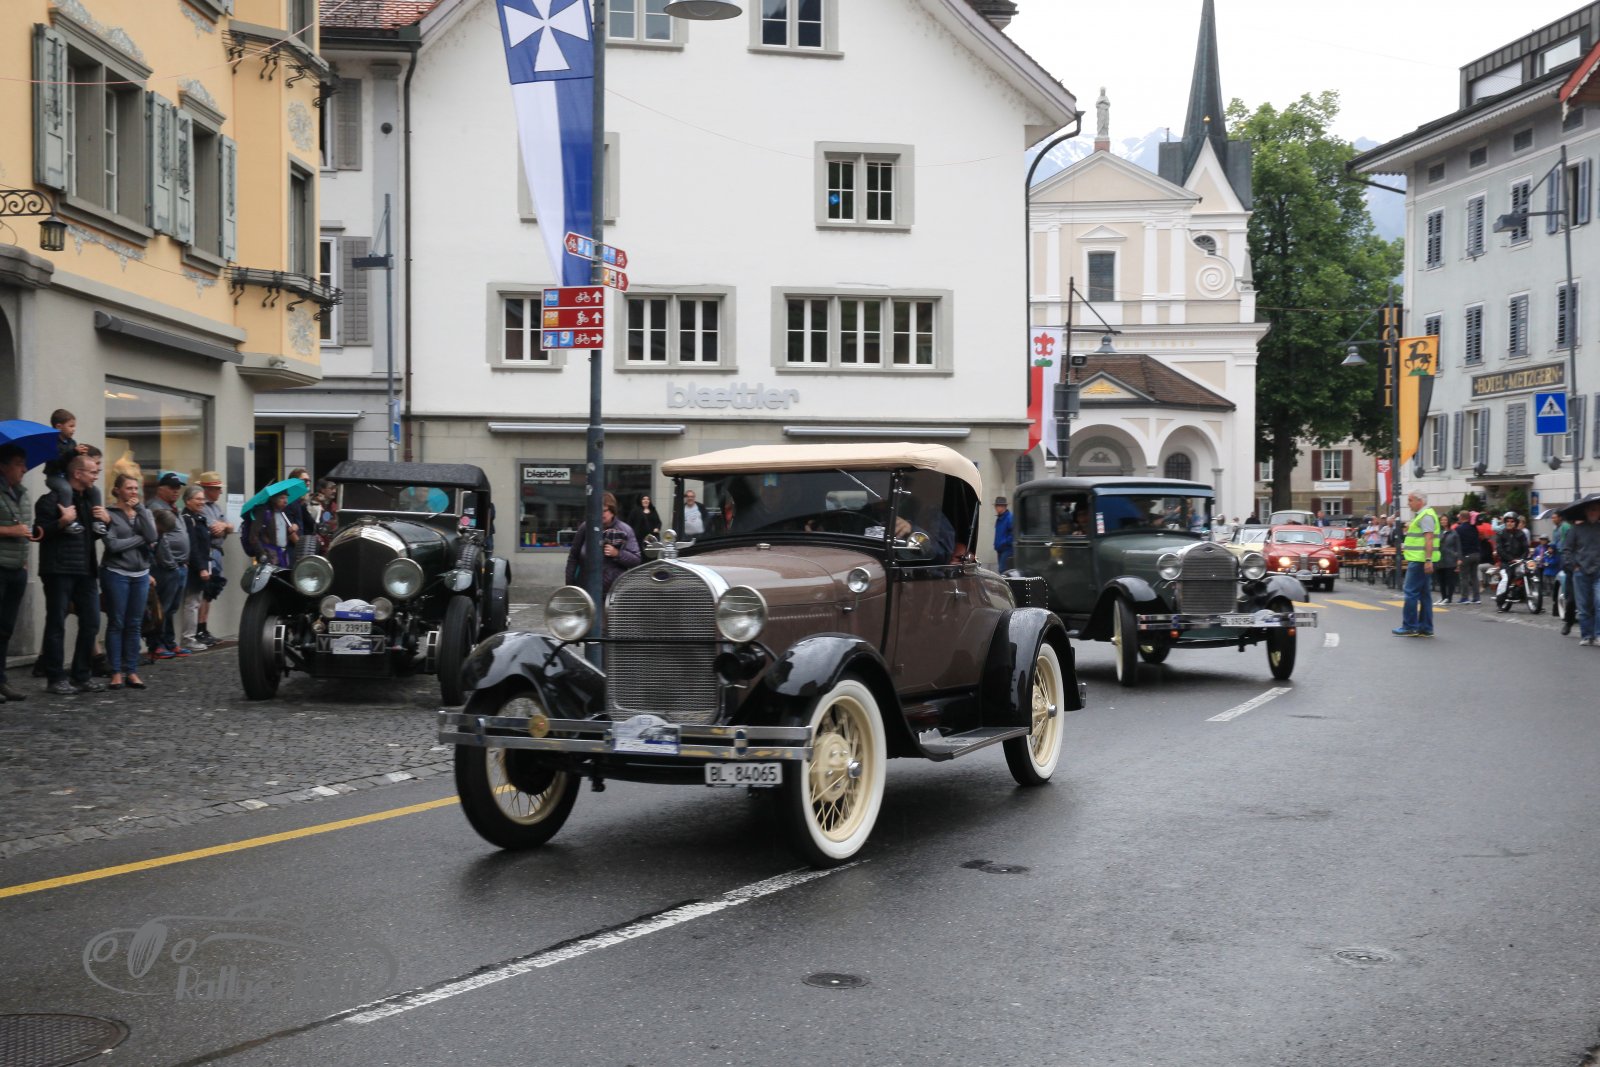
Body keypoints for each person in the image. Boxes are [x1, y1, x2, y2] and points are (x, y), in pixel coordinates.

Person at [35, 453, 108, 693]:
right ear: (77, 474)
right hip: (58, 569)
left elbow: (91, 535)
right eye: (92, 472)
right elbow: (38, 533)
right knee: (56, 623)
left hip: (86, 570)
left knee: (91, 622)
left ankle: (81, 675)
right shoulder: (50, 500)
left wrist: (105, 522)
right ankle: (55, 677)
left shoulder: (89, 500)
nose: (96, 476)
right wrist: (63, 522)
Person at [101, 473, 155, 690]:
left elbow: (153, 536)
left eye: (135, 488)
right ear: (117, 490)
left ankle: (131, 671)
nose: (133, 492)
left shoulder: (144, 512)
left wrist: (140, 510)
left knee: (134, 624)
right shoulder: (108, 514)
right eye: (129, 488)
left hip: (140, 574)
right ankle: (115, 671)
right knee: (117, 622)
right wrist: (141, 539)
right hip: (116, 572)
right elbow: (112, 545)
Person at [0, 445, 32, 702]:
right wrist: (12, 531)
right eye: (19, 463)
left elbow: (25, 528)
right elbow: (15, 529)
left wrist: (24, 561)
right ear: (3, 466)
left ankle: (1, 680)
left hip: (16, 569)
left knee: (5, 629)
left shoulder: (21, 493)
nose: (24, 468)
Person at [40, 409, 104, 537]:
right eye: (71, 426)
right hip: (55, 476)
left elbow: (74, 462)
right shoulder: (52, 443)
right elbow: (56, 463)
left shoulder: (72, 443)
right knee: (66, 489)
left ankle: (98, 521)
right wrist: (73, 452)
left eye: (74, 426)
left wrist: (82, 456)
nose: (74, 429)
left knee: (95, 491)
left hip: (66, 475)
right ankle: (69, 520)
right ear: (59, 426)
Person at [564, 492, 640, 594]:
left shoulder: (624, 530)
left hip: (614, 591)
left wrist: (617, 554)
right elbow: (573, 556)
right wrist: (570, 585)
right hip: (587, 587)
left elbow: (636, 559)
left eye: (604, 511)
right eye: (597, 510)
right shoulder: (586, 527)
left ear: (612, 511)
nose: (600, 514)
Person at [1393, 490, 1440, 638]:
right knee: (1424, 595)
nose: (1408, 504)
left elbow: (1429, 539)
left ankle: (1410, 626)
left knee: (1410, 593)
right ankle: (1426, 628)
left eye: (1410, 500)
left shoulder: (1425, 516)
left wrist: (1428, 560)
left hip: (1419, 561)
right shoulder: (1425, 515)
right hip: (1421, 560)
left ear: (1420, 501)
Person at [195, 471, 233, 646]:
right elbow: (214, 529)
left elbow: (229, 527)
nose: (220, 492)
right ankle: (199, 628)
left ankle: (204, 628)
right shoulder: (202, 507)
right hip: (208, 551)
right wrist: (225, 527)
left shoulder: (216, 508)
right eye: (217, 489)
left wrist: (224, 526)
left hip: (216, 551)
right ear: (208, 489)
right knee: (204, 590)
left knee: (211, 591)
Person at [147, 507, 191, 660]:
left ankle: (169, 642)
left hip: (174, 568)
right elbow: (157, 554)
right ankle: (156, 645)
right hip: (163, 570)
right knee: (160, 611)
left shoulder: (162, 532)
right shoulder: (151, 532)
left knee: (170, 609)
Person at [179, 486, 213, 651]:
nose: (202, 502)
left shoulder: (199, 517)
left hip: (203, 564)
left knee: (196, 601)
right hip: (195, 568)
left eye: (203, 499)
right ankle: (188, 638)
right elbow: (192, 546)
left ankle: (191, 636)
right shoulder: (187, 519)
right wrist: (201, 568)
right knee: (192, 603)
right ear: (188, 501)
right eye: (198, 499)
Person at [1566, 499, 1600, 646]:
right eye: (1590, 509)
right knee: (1583, 606)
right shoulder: (1576, 529)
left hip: (1598, 571)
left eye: (1595, 509)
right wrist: (1573, 565)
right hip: (1581, 571)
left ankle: (1598, 634)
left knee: (1599, 602)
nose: (1593, 512)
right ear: (1586, 512)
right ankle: (1587, 635)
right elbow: (1567, 549)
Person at [250, 491, 300, 567]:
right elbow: (253, 536)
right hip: (269, 556)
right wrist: (262, 554)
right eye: (282, 498)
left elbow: (281, 533)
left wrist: (291, 529)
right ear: (274, 499)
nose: (286, 501)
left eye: (286, 498)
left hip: (283, 555)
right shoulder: (263, 511)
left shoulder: (282, 513)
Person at [1454, 511, 1482, 604]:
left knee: (1464, 577)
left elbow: (1457, 543)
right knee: (1474, 577)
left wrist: (1458, 557)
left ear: (1461, 517)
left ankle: (1465, 598)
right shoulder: (1474, 528)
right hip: (1476, 554)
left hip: (1465, 555)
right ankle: (1476, 597)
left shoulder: (1458, 529)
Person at [1435, 518, 1460, 605]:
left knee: (1450, 580)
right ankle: (1443, 597)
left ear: (1448, 521)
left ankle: (1449, 598)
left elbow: (1458, 546)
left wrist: (1458, 558)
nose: (1443, 521)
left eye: (1445, 520)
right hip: (1440, 559)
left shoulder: (1454, 533)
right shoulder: (1439, 533)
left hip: (1450, 559)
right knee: (1441, 580)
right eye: (1442, 520)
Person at [993, 495, 1014, 572]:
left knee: (1003, 570)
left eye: (997, 506)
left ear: (1003, 506)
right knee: (1002, 570)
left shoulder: (1010, 518)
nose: (995, 508)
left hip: (1007, 550)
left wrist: (1004, 542)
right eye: (995, 506)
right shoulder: (999, 518)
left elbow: (1013, 534)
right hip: (1000, 550)